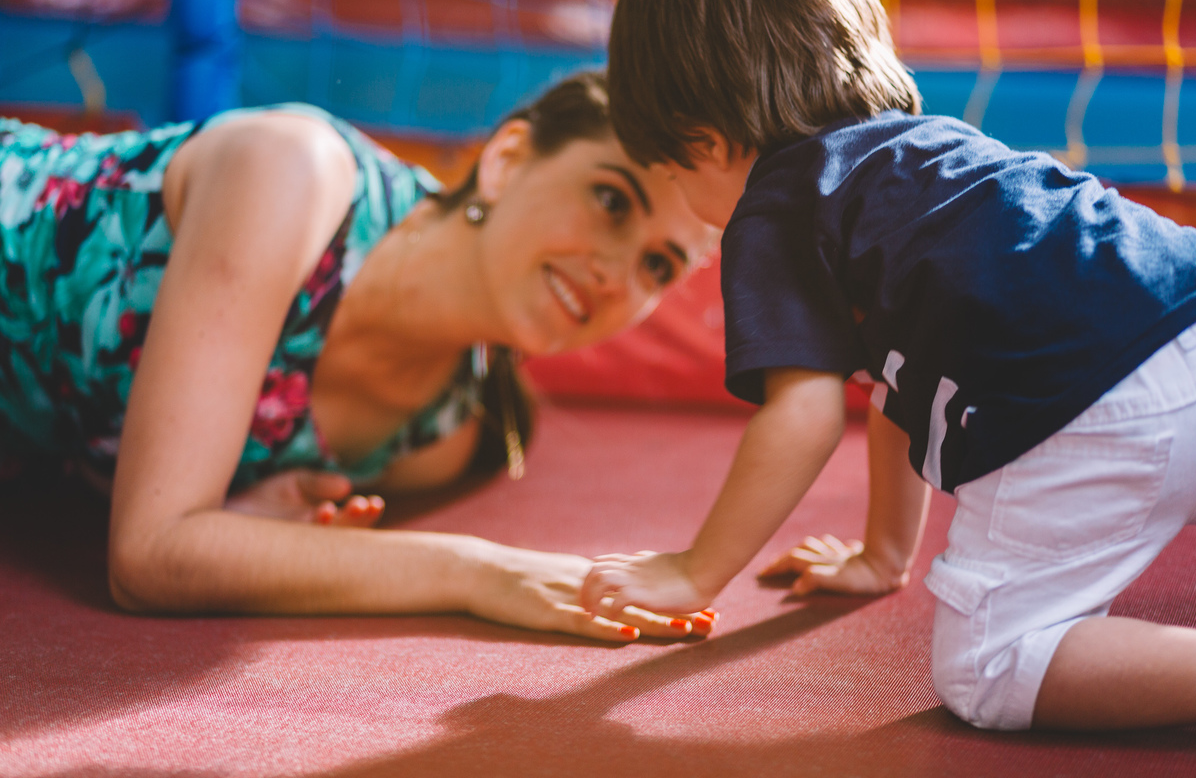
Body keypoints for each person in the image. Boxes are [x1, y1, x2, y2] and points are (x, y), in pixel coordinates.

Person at [581, 0, 1196, 730]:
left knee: (992, 669)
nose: (684, 193)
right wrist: (883, 556)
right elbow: (897, 390)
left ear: (704, 143)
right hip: (1181, 308)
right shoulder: (923, 151)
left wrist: (693, 570)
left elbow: (803, 415)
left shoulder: (779, 204)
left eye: (674, 174)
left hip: (1092, 400)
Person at [0, 71, 720, 642]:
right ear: (506, 161)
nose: (616, 272)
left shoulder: (437, 438)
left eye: (658, 266)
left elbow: (140, 481)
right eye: (611, 200)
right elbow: (151, 556)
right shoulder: (294, 174)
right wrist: (481, 572)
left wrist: (234, 521)